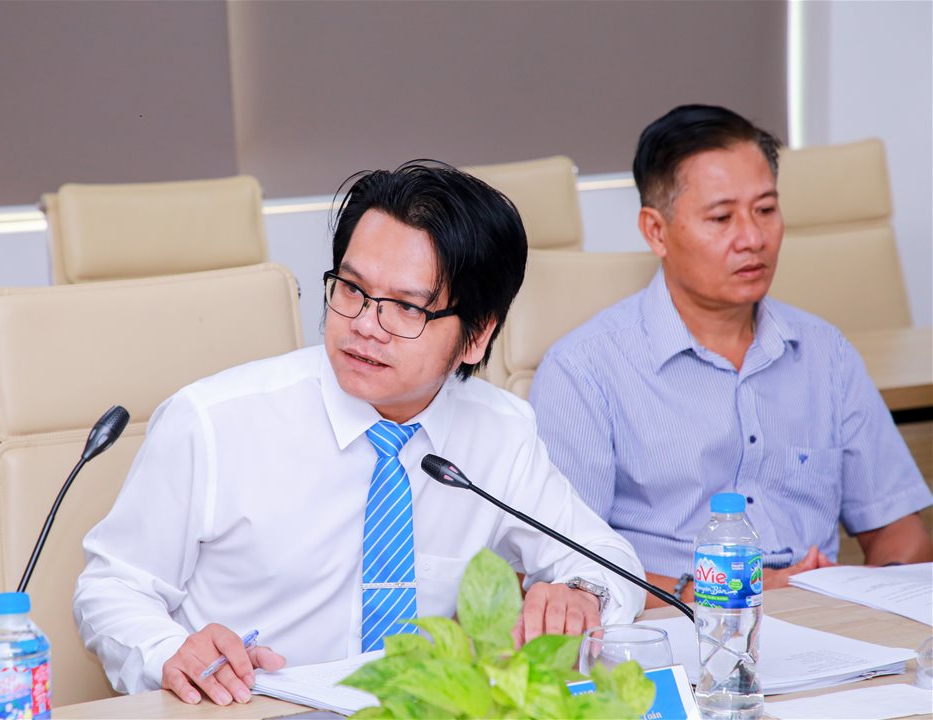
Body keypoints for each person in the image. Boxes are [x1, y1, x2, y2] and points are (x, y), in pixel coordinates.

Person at [74, 161, 646, 706]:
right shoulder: (213, 422)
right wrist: (169, 651)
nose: (366, 325)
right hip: (251, 708)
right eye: (351, 289)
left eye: (407, 308)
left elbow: (609, 562)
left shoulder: (499, 432)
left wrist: (581, 596)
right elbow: (111, 588)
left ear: (476, 336)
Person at [531, 104, 933, 609]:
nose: (753, 238)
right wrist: (735, 592)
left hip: (824, 625)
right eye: (722, 218)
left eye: (765, 210)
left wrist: (864, 593)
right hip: (679, 631)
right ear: (656, 231)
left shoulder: (825, 353)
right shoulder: (584, 370)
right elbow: (566, 569)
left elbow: (901, 533)